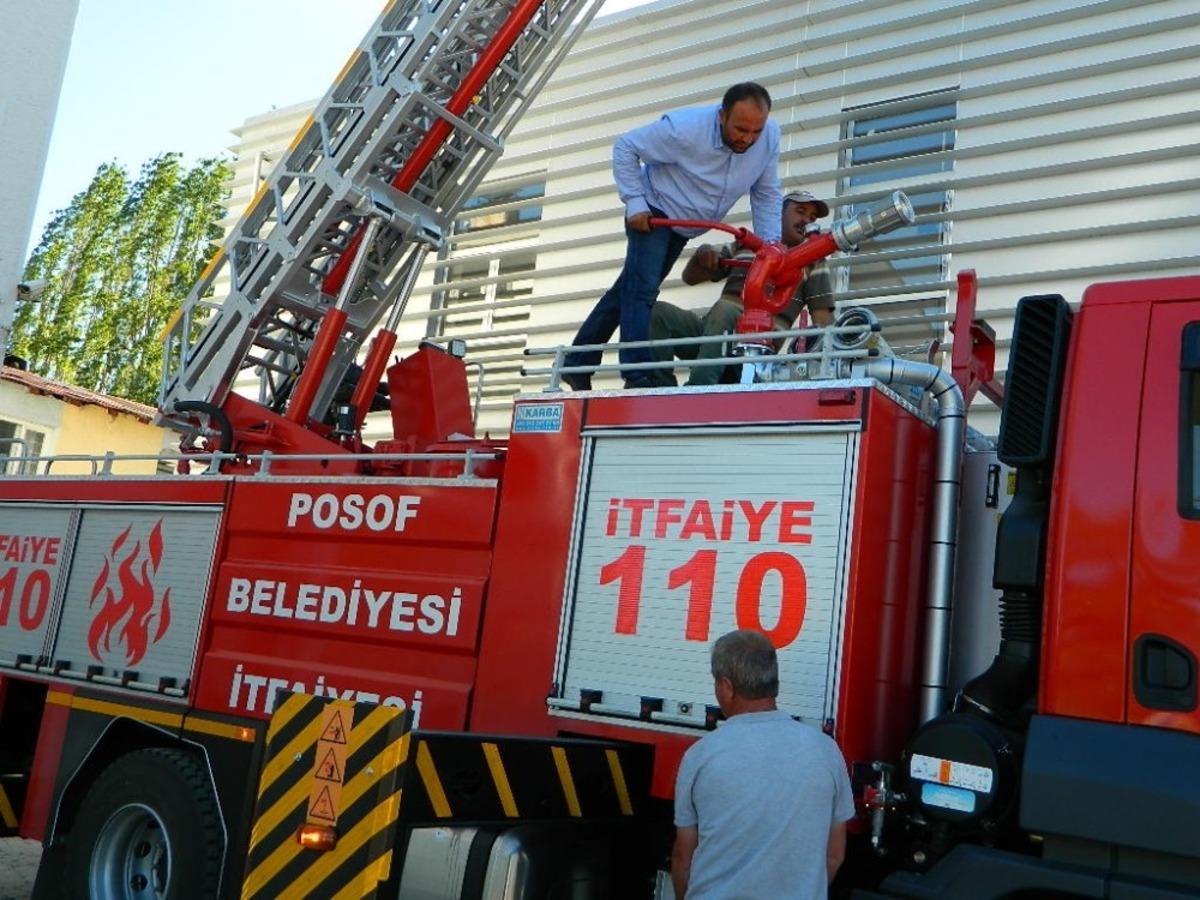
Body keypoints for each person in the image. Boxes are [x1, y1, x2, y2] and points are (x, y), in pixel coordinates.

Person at [562, 82, 783, 391]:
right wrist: (635, 203)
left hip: (684, 224)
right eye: (740, 129)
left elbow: (766, 193)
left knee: (628, 289)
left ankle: (576, 364)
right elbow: (626, 146)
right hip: (654, 213)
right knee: (641, 293)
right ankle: (639, 375)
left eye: (755, 131)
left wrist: (770, 245)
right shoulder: (684, 129)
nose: (747, 139)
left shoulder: (769, 138)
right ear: (721, 116)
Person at [672, 629, 855, 900]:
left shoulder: (701, 756)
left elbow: (683, 859)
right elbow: (834, 855)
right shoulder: (825, 751)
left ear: (726, 686)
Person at [648, 191, 834, 387]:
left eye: (812, 218)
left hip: (757, 351)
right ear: (777, 213)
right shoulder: (748, 245)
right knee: (656, 313)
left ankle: (698, 391)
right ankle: (658, 389)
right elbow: (690, 278)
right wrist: (703, 253)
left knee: (726, 309)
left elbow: (823, 323)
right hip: (712, 337)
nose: (807, 221)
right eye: (800, 211)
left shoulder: (813, 261)